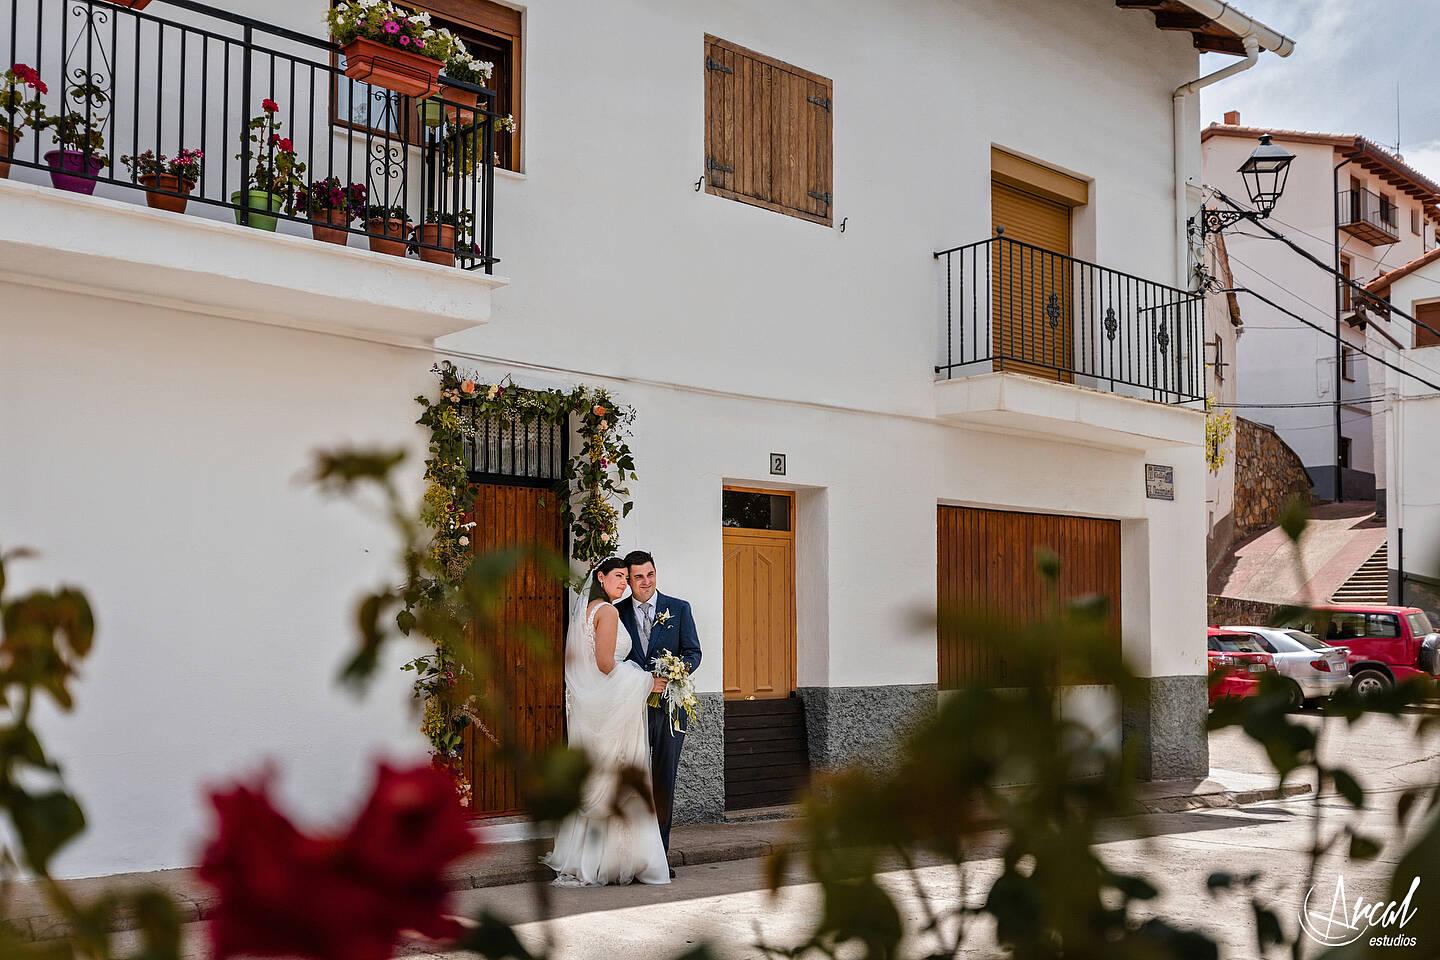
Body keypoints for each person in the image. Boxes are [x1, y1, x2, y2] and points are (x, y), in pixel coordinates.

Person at [540, 558, 670, 886]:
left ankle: (588, 858)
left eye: (627, 578)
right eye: (618, 577)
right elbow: (605, 664)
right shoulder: (609, 612)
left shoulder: (587, 610)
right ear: (600, 577)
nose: (624, 583)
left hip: (593, 710)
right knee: (615, 777)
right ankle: (614, 862)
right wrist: (645, 681)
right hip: (611, 710)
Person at [615, 550, 701, 860]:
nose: (646, 581)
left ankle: (658, 856)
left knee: (664, 780)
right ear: (629, 579)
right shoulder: (616, 611)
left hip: (670, 708)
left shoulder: (679, 609)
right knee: (632, 779)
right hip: (631, 709)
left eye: (650, 574)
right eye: (638, 576)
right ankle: (632, 852)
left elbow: (694, 653)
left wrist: (675, 670)